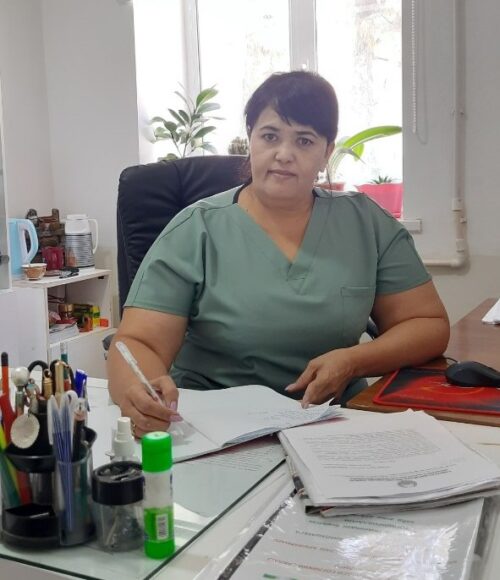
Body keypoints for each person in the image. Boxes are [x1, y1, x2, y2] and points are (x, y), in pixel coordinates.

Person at [107, 70, 449, 438]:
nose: (284, 154)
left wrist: (353, 361)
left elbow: (427, 324)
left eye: (304, 140)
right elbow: (137, 343)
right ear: (250, 140)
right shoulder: (195, 230)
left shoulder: (367, 223)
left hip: (334, 422)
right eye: (270, 136)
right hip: (217, 429)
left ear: (326, 153)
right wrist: (140, 394)